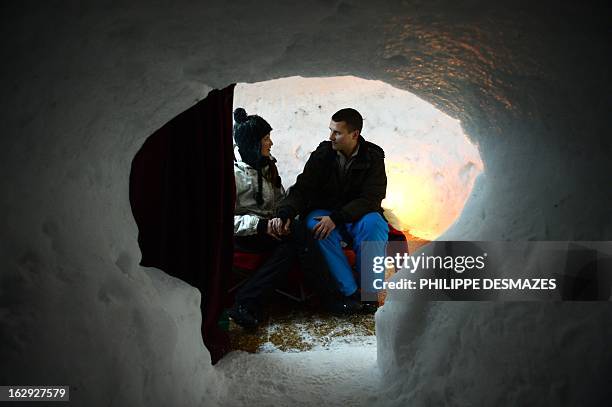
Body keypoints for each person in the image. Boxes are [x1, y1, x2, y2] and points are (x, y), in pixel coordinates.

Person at [229, 108, 342, 329]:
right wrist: (262, 225)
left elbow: (280, 200)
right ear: (252, 143)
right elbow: (223, 222)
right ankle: (331, 297)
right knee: (300, 233)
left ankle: (245, 302)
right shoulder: (233, 175)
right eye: (265, 139)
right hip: (247, 234)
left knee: (294, 241)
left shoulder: (268, 166)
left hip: (272, 231)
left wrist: (284, 217)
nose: (271, 143)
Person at [276, 108, 389, 309]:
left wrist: (337, 218)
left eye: (337, 132)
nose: (331, 137)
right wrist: (286, 211)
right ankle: (350, 293)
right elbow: (303, 188)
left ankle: (369, 293)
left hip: (357, 214)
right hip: (325, 211)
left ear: (354, 134)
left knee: (375, 224)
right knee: (315, 225)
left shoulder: (373, 156)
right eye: (330, 130)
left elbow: (372, 198)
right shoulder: (323, 154)